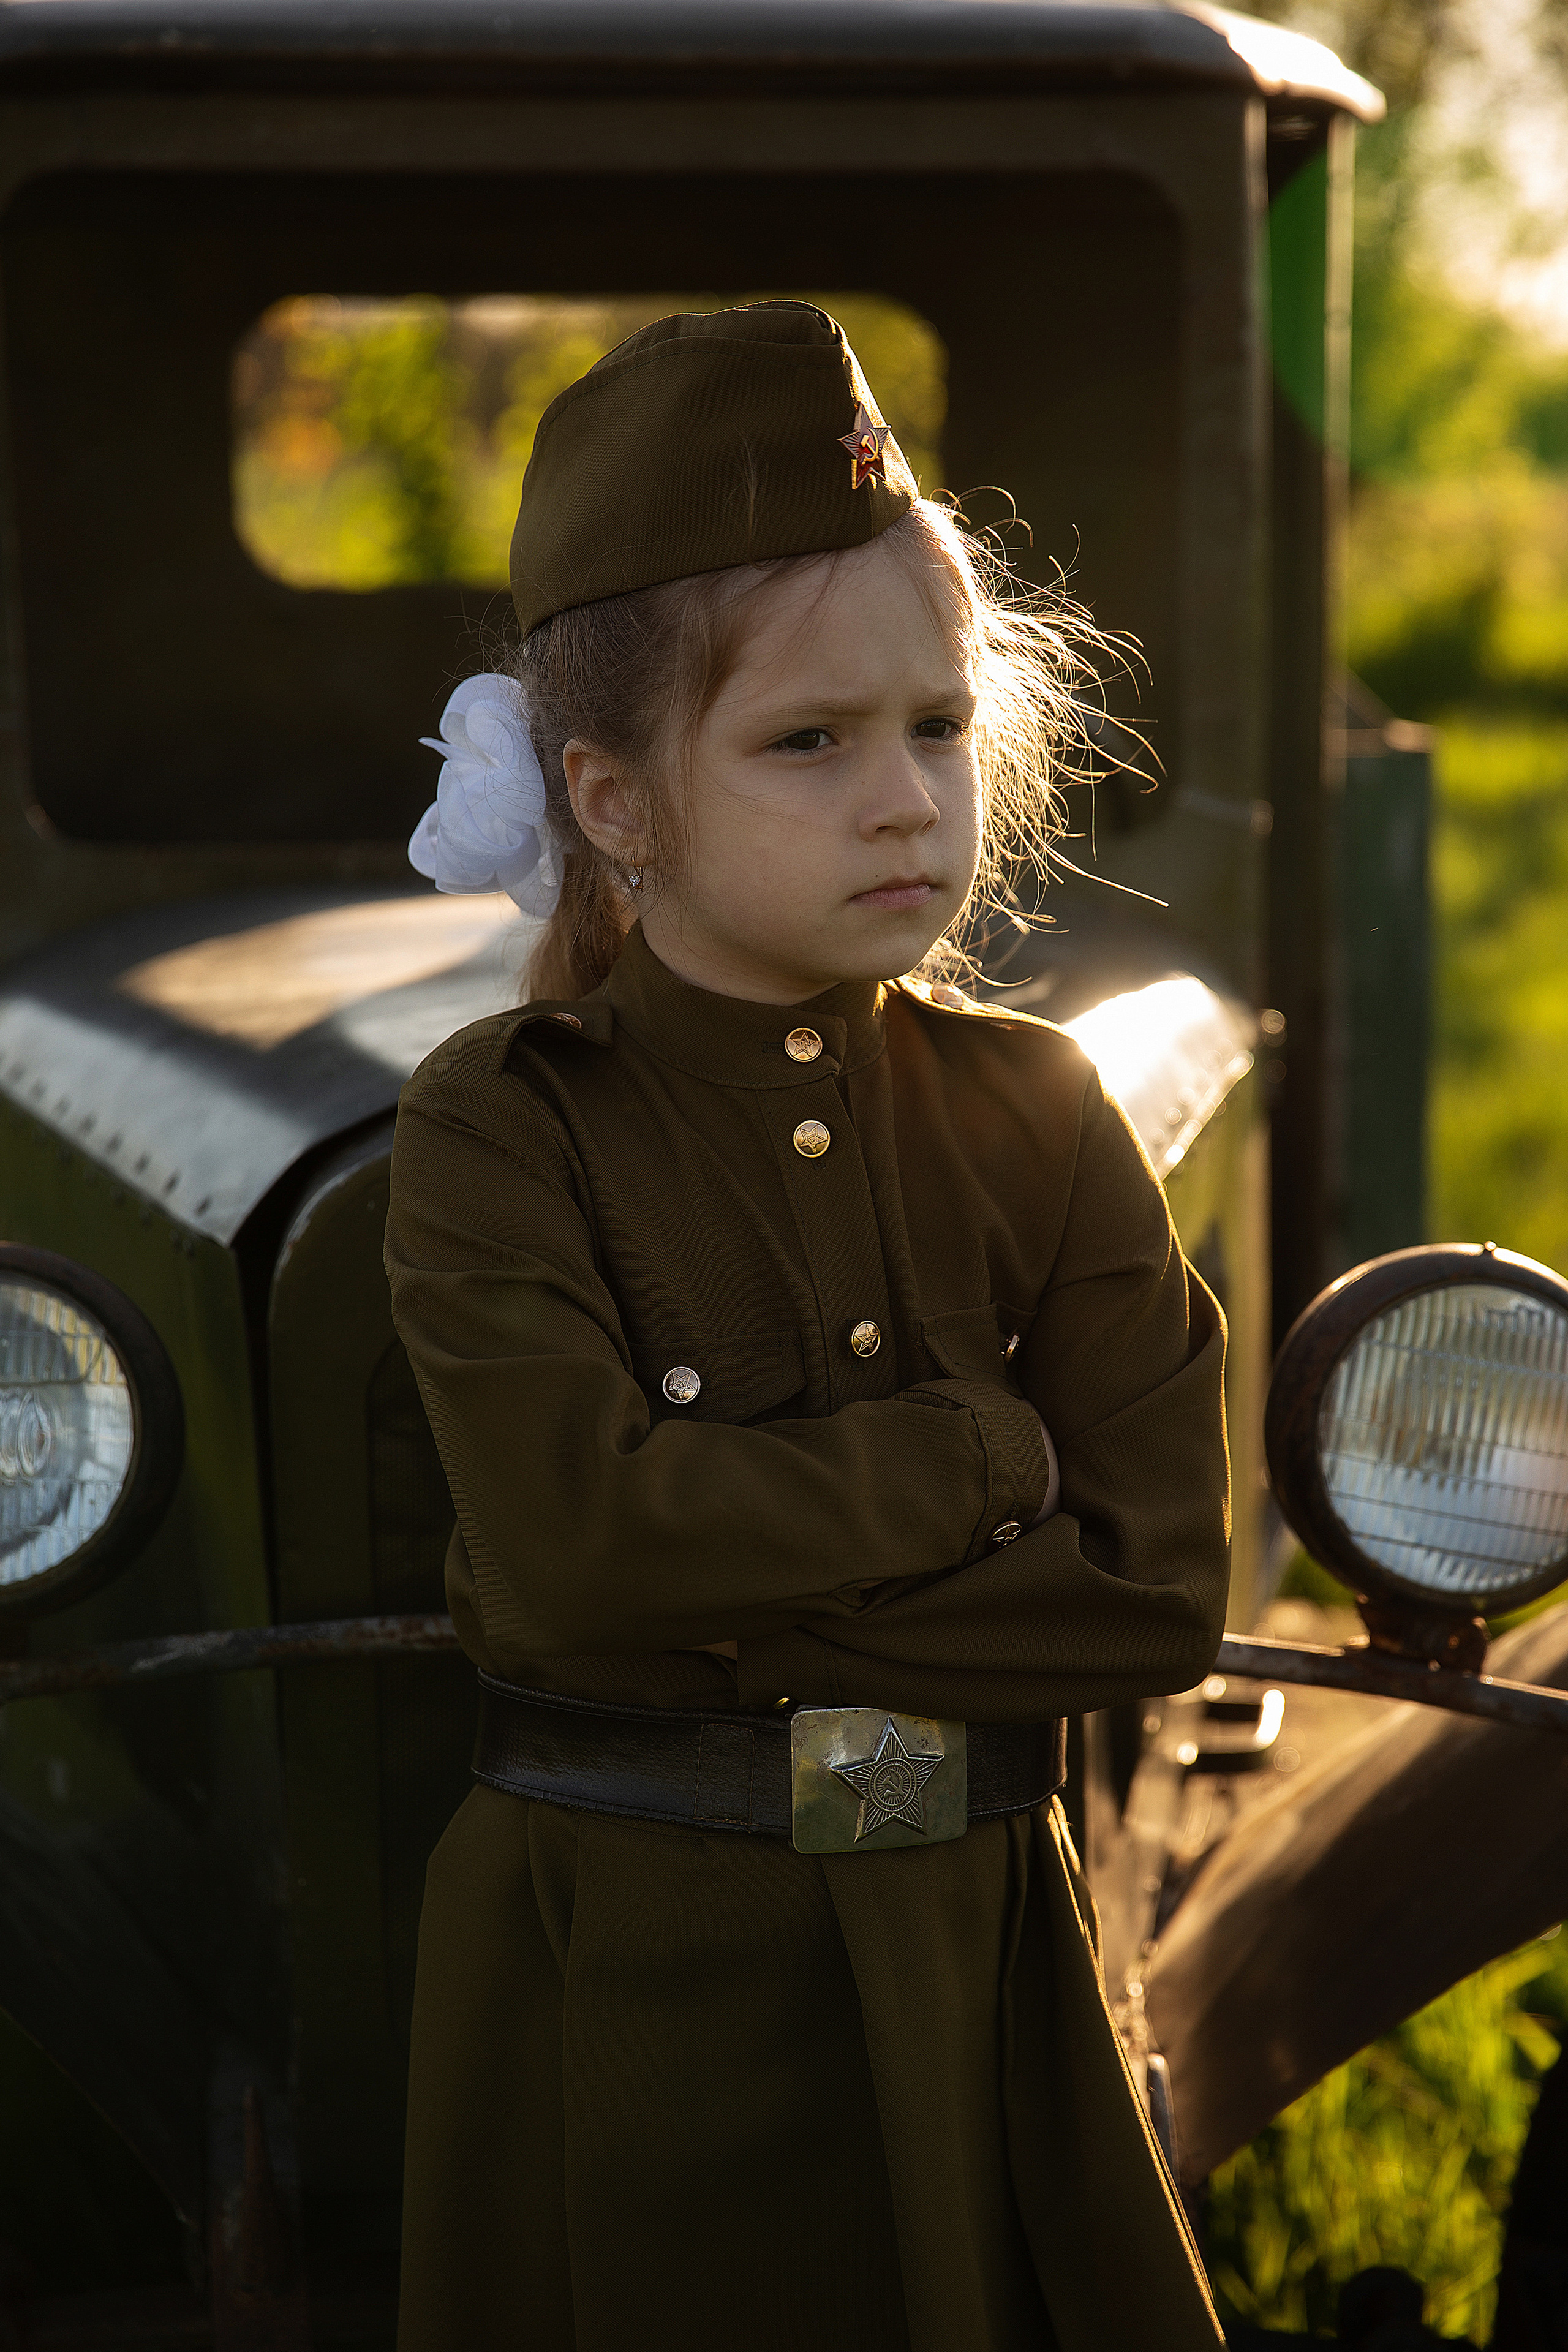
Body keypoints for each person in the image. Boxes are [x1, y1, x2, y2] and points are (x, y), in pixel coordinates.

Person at [385, 300, 1232, 2351]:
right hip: (614, 1977)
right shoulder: (499, 1128)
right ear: (612, 801)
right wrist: (978, 1462)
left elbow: (1149, 1596)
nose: (907, 800)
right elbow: (578, 1552)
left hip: (966, 1953)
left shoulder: (1041, 1114)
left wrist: (689, 1619)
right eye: (808, 742)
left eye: (938, 727)